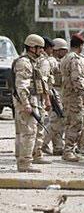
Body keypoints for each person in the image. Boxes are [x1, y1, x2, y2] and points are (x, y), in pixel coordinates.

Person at [11, 34, 46, 172]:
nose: (42, 51)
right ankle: (25, 163)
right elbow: (22, 86)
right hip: (26, 102)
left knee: (23, 132)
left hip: (28, 101)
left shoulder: (30, 62)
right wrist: (26, 104)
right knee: (29, 132)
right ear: (32, 48)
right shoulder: (25, 63)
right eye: (40, 48)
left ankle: (22, 160)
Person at [60, 33, 84, 162]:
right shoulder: (76, 59)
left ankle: (68, 149)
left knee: (69, 123)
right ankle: (68, 151)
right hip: (74, 97)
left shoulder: (66, 57)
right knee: (76, 123)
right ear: (80, 45)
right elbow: (76, 79)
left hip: (66, 95)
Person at [42, 38, 68, 155]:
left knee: (57, 120)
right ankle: (42, 143)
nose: (65, 53)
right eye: (63, 50)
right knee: (57, 119)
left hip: (57, 91)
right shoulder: (52, 61)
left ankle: (58, 147)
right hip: (54, 91)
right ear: (57, 50)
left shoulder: (54, 60)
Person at [32, 36, 55, 164]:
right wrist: (47, 99)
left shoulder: (33, 60)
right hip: (39, 97)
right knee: (39, 126)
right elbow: (44, 81)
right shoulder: (43, 61)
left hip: (36, 96)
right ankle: (37, 154)